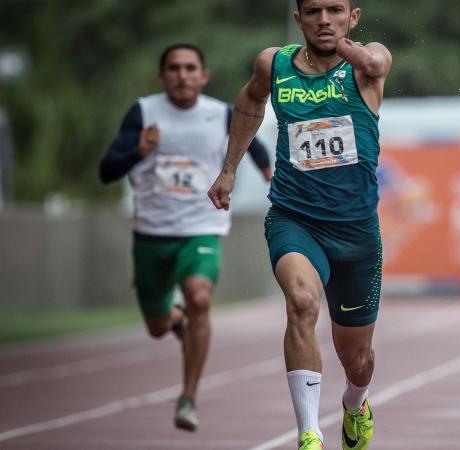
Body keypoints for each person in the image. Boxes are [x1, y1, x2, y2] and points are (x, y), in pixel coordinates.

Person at [207, 0, 390, 448]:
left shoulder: (368, 64)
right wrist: (230, 168)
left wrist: (350, 51)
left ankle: (355, 404)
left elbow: (374, 61)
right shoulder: (275, 64)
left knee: (357, 358)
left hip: (356, 231)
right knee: (302, 303)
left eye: (334, 10)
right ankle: (309, 434)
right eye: (312, 12)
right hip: (295, 217)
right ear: (298, 20)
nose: (323, 20)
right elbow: (250, 100)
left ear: (354, 17)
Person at [99, 43, 272, 431]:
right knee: (157, 327)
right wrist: (137, 150)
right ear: (162, 77)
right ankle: (174, 321)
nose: (182, 75)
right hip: (152, 235)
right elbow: (107, 170)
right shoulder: (143, 113)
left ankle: (189, 396)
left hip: (201, 229)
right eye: (174, 68)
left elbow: (254, 144)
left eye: (190, 68)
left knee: (199, 297)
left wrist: (268, 173)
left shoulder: (221, 113)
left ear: (203, 76)